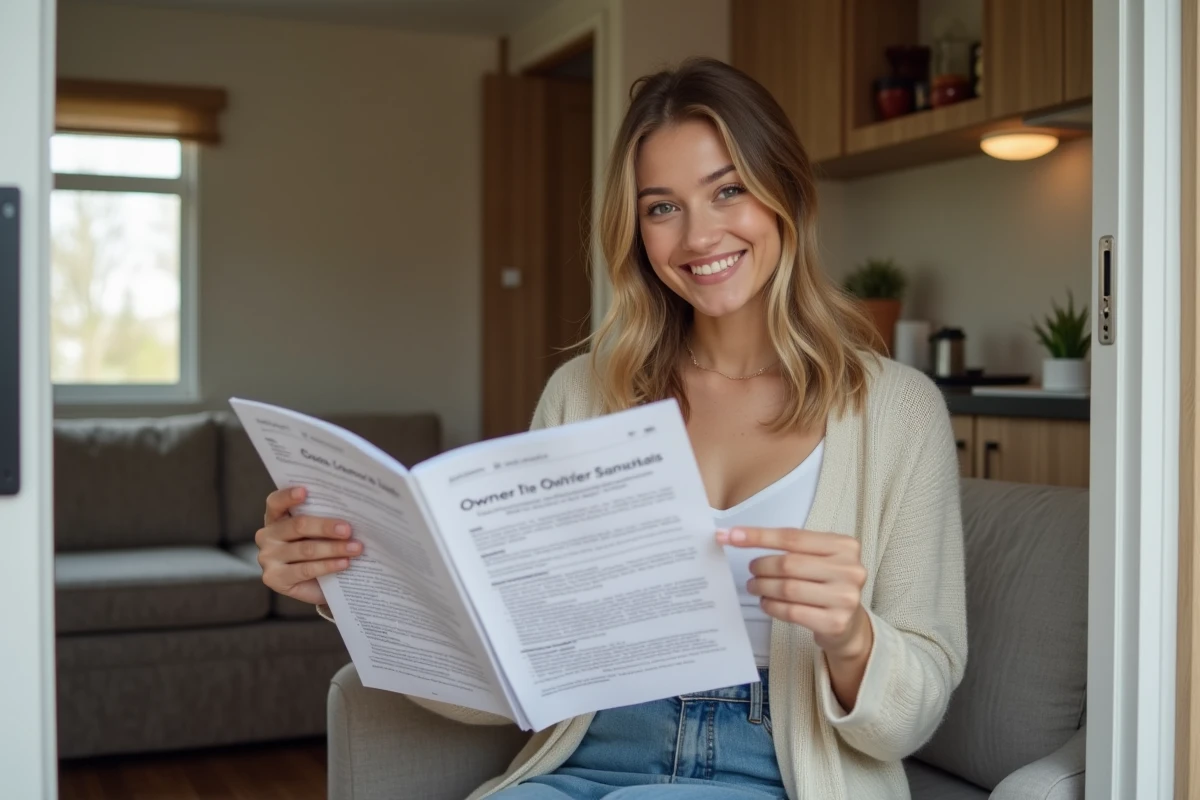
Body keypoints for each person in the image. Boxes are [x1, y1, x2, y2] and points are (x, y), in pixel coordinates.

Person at [254, 57, 967, 800]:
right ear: (636, 230)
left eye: (728, 190)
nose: (698, 236)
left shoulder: (895, 411)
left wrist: (850, 636)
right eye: (662, 207)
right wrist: (350, 586)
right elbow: (500, 686)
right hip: (582, 754)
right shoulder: (582, 394)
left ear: (785, 190)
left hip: (777, 771)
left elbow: (910, 718)